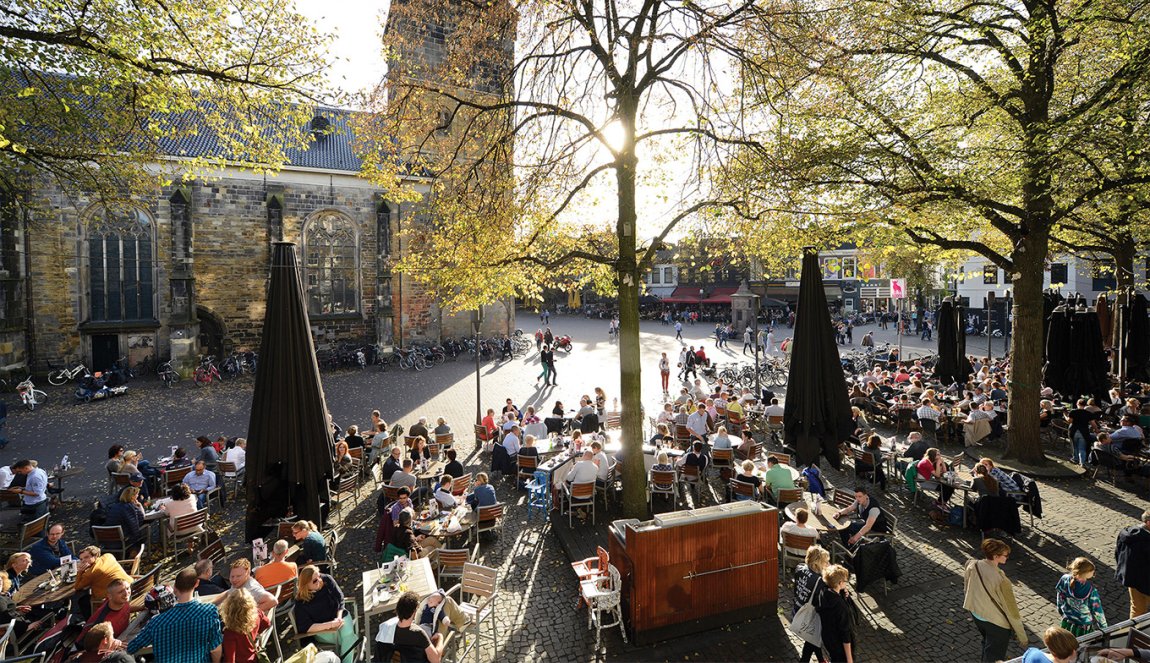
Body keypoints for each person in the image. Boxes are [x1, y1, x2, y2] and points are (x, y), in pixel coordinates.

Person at [128, 568, 223, 662]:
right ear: (197, 583)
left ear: (175, 588)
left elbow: (132, 647)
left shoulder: (156, 622)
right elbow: (215, 649)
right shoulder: (209, 612)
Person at [963, 538, 1026, 662]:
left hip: (976, 613)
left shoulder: (972, 564)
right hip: (995, 621)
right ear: (996, 556)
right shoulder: (1001, 580)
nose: (1007, 557)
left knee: (987, 643)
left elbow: (966, 587)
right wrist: (1022, 635)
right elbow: (1011, 609)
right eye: (1005, 555)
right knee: (995, 655)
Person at [293, 565, 358, 663]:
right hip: (322, 628)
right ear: (305, 584)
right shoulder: (301, 601)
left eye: (319, 576)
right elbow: (306, 627)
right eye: (314, 580)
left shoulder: (326, 579)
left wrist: (338, 617)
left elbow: (340, 598)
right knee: (349, 638)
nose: (319, 580)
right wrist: (331, 625)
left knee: (348, 635)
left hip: (340, 616)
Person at [382, 591, 449, 663]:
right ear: (414, 612)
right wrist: (440, 637)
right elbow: (436, 660)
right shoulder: (419, 634)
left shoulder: (390, 628)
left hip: (402, 658)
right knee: (448, 602)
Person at [793, 546, 830, 663]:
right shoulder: (820, 581)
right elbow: (820, 603)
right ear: (817, 563)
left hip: (798, 608)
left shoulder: (799, 568)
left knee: (812, 638)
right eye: (826, 561)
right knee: (813, 637)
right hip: (809, 616)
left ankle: (820, 659)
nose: (828, 563)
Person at [813, 564, 856, 663]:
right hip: (839, 645)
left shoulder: (823, 592)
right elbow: (845, 634)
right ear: (840, 583)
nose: (846, 583)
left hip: (828, 638)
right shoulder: (840, 606)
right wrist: (849, 659)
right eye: (845, 581)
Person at [1055, 557, 1106, 637]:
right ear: (1085, 572)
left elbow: (1059, 598)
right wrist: (1104, 627)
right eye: (1092, 571)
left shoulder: (1064, 579)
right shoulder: (1091, 590)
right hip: (1083, 626)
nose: (1094, 572)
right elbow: (1098, 611)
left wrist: (1061, 611)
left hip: (1067, 621)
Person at [220, 587, 271, 663]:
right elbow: (267, 623)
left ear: (228, 608)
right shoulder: (257, 613)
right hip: (253, 657)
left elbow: (230, 660)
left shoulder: (230, 633)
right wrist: (256, 633)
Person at [1115, 509, 1150, 619]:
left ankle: (1134, 633)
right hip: (1147, 583)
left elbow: (1118, 553)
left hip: (1132, 580)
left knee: (1136, 609)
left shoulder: (1126, 533)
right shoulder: (1146, 542)